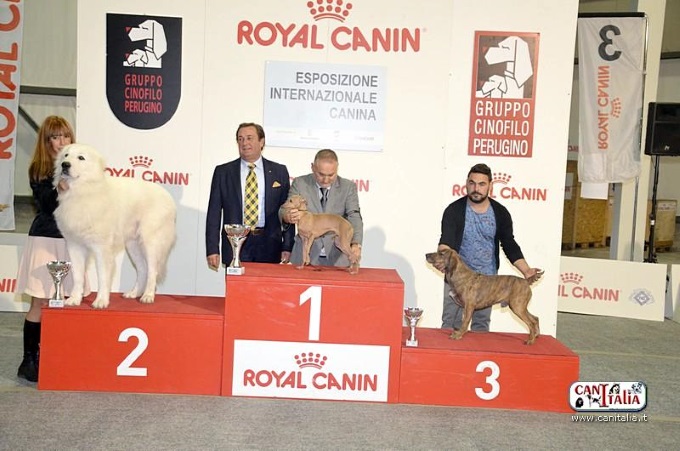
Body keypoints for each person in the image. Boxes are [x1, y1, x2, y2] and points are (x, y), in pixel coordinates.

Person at [15, 116, 82, 382]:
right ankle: (29, 360)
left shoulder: (80, 166)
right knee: (40, 302)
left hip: (72, 241)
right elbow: (45, 205)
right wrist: (58, 188)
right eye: (55, 137)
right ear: (46, 141)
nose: (61, 141)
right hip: (46, 240)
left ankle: (56, 356)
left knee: (67, 300)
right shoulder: (39, 168)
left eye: (65, 135)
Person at [436, 163, 540, 331]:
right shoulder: (453, 210)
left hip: (488, 281)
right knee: (449, 326)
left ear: (490, 186)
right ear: (466, 183)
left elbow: (509, 244)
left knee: (480, 328)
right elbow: (446, 240)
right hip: (457, 278)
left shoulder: (500, 213)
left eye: (482, 184)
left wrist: (526, 270)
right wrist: (442, 259)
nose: (476, 188)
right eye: (472, 183)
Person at [206, 122, 294, 269]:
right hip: (235, 244)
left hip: (270, 244)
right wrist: (212, 249)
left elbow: (287, 210)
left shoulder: (279, 171)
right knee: (237, 284)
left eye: (249, 138)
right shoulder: (223, 172)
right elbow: (213, 214)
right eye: (240, 139)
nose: (244, 143)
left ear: (262, 141)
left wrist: (287, 246)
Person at [280, 149, 363, 268]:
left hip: (338, 260)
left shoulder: (348, 187)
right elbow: (284, 208)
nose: (326, 179)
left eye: (331, 175)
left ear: (337, 168)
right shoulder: (300, 183)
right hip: (302, 258)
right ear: (312, 167)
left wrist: (355, 243)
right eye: (321, 174)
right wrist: (287, 215)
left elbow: (354, 216)